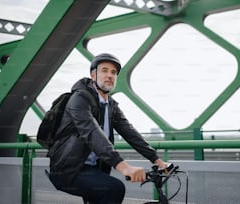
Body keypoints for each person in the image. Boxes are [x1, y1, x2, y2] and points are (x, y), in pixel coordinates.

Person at [48, 53, 169, 204]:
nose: (109, 75)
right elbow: (92, 133)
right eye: (104, 70)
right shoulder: (79, 99)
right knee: (114, 188)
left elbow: (129, 132)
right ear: (93, 75)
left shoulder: (111, 105)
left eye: (113, 72)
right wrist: (124, 167)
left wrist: (157, 160)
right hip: (68, 170)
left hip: (94, 170)